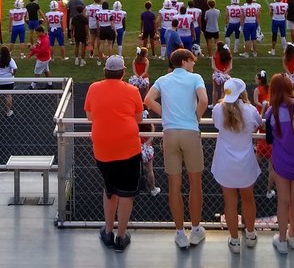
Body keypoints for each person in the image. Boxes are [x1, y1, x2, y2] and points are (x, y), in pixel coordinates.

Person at [144, 50, 208, 249]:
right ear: (185, 61)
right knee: (195, 184)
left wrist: (166, 114)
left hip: (170, 134)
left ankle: (180, 232)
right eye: (192, 61)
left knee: (174, 186)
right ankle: (195, 229)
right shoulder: (195, 78)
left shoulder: (163, 79)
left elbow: (148, 100)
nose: (194, 65)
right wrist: (195, 117)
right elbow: (204, 101)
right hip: (190, 133)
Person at [84, 54, 144, 251]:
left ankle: (108, 231)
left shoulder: (94, 88)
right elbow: (138, 118)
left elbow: (90, 116)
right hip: (128, 147)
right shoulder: (132, 90)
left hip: (103, 148)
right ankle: (120, 236)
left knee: (109, 189)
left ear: (105, 71)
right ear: (124, 72)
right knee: (126, 193)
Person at [211, 78, 261, 253]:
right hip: (245, 162)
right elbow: (257, 126)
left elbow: (217, 125)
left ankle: (234, 240)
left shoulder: (218, 109)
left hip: (225, 163)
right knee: (248, 199)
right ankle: (250, 234)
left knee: (230, 202)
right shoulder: (250, 110)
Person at [266, 73, 294, 254]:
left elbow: (268, 139)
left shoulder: (271, 112)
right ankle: (292, 235)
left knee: (283, 201)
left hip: (281, 163)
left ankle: (282, 240)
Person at [211, 43, 232, 107]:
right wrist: (224, 72)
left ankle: (214, 105)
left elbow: (213, 67)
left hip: (216, 75)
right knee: (223, 91)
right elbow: (230, 67)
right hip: (225, 75)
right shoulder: (229, 56)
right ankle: (222, 105)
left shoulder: (214, 55)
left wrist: (219, 72)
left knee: (215, 91)